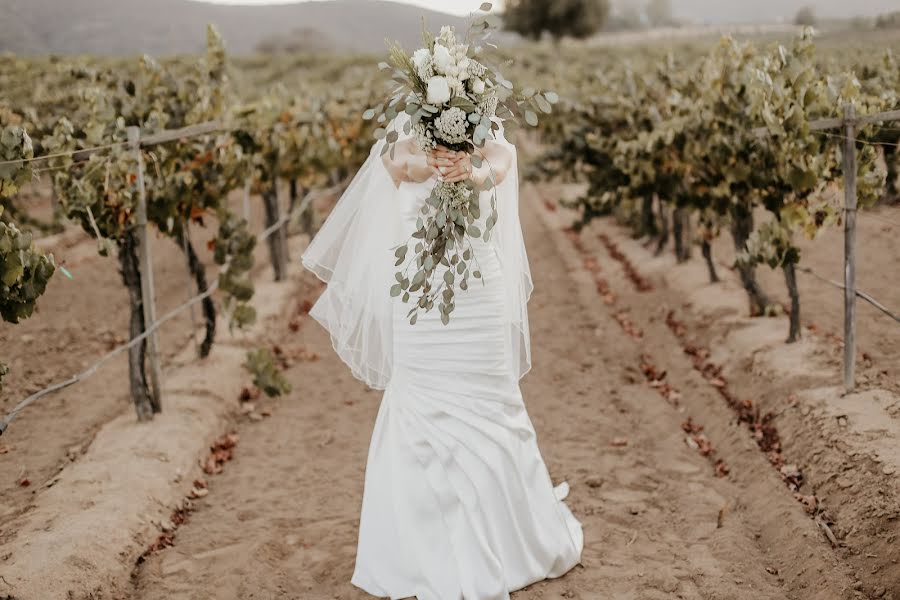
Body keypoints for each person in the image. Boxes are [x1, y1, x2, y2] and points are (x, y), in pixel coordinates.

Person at [301, 114, 583, 600]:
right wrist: (415, 168)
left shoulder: (483, 121)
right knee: (418, 400)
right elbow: (388, 169)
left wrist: (473, 173)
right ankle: (418, 548)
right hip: (420, 294)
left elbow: (505, 159)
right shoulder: (404, 133)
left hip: (477, 289)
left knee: (494, 399)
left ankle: (508, 537)